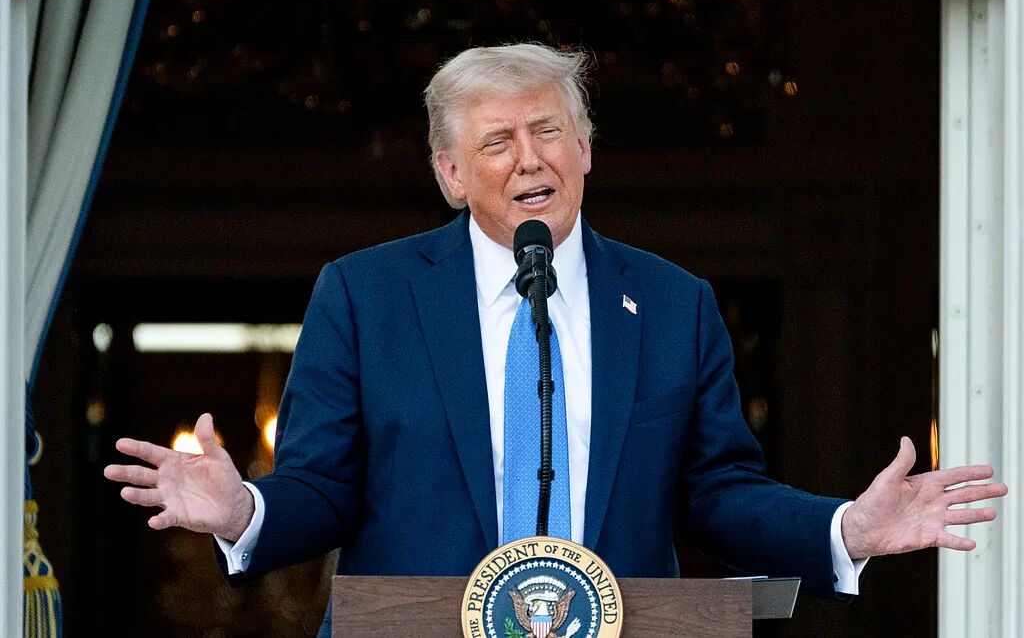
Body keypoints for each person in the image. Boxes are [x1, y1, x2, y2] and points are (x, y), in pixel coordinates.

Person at [104, 44, 1007, 637]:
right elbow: (322, 487)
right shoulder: (367, 294)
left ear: (586, 150)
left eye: (548, 132)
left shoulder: (674, 303)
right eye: (497, 142)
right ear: (451, 174)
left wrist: (845, 528)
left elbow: (719, 494)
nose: (530, 158)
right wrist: (242, 511)